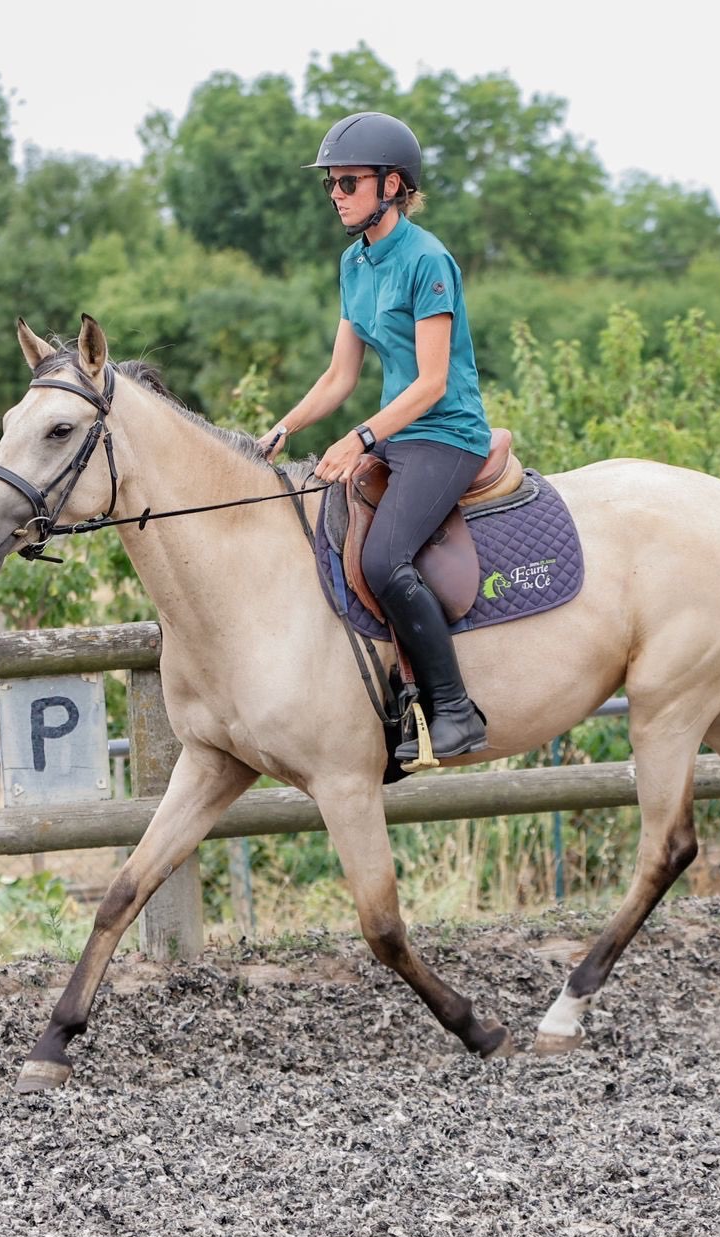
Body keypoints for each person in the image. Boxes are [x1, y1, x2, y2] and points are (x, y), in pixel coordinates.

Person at [260, 112, 492, 769]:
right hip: (394, 435)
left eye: (349, 181)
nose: (335, 192)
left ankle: (450, 707)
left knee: (386, 559)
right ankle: (392, 709)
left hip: (445, 434)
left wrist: (360, 436)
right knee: (332, 539)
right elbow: (340, 375)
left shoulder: (428, 260)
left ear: (392, 184)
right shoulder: (352, 264)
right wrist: (285, 426)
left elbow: (432, 382)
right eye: (331, 183)